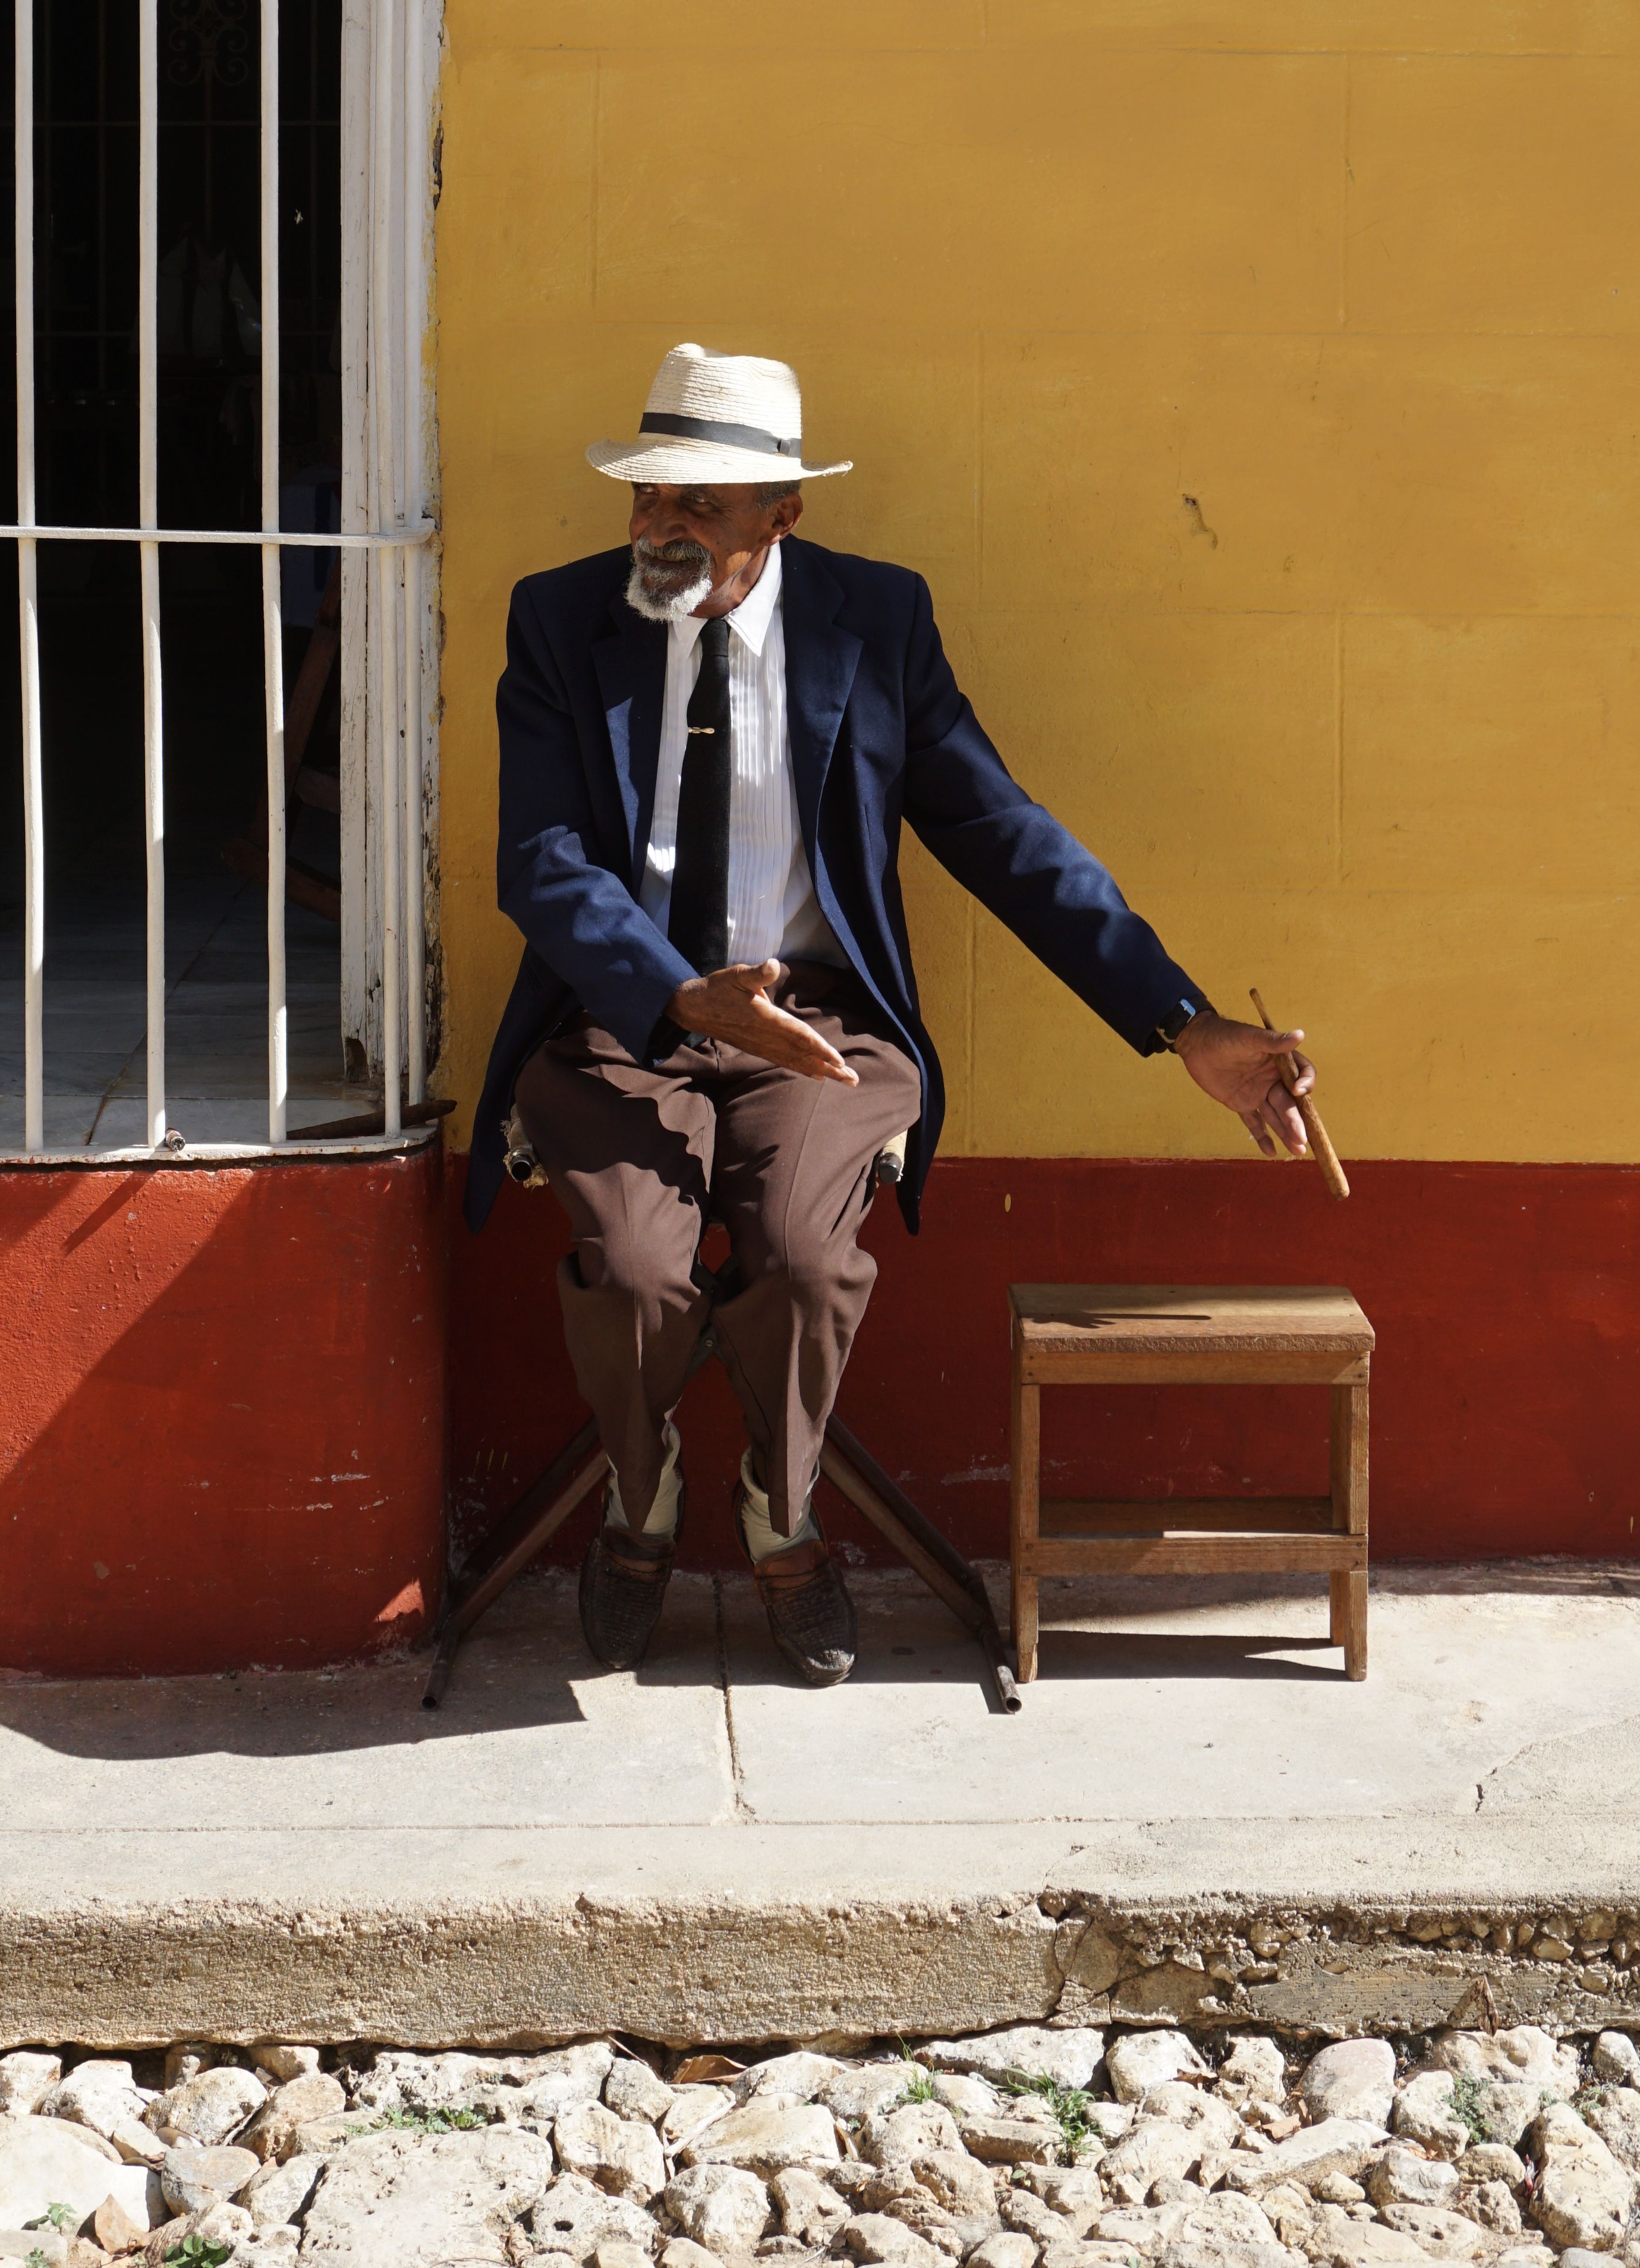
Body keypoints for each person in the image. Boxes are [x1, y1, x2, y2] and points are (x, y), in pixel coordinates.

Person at [467, 344, 1317, 1690]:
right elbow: (544, 862)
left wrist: (1180, 1022)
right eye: (644, 498)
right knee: (635, 1273)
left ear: (780, 515)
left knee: (804, 1266)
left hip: (819, 1026)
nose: (655, 529)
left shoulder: (872, 627)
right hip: (630, 1012)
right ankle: (638, 1502)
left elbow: (998, 831)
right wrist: (681, 996)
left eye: (695, 507)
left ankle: (777, 1507)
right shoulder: (562, 620)